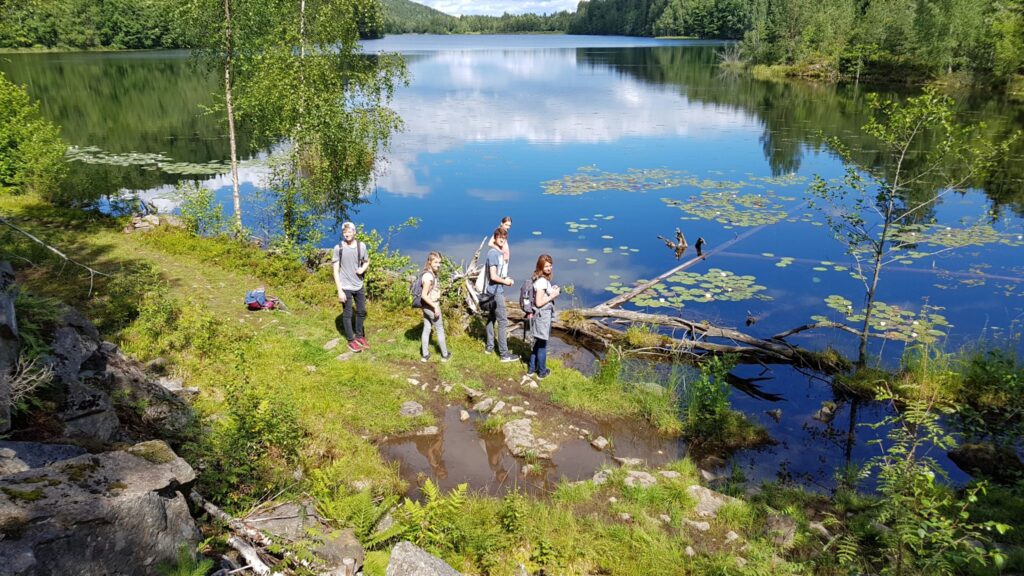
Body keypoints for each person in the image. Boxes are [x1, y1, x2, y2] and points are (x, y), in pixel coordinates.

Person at [332, 222, 370, 353]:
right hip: (345, 286)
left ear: (354, 232)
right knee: (347, 314)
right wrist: (340, 291)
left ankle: (360, 336)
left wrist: (362, 269)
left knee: (361, 311)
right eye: (344, 232)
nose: (347, 234)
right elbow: (335, 271)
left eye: (349, 232)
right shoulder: (339, 248)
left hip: (358, 285)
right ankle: (350, 340)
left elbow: (366, 261)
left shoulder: (361, 246)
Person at [484, 227, 517, 362]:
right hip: (496, 292)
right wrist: (506, 282)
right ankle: (504, 354)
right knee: (503, 321)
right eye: (499, 237)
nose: (502, 239)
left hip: (492, 291)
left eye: (504, 237)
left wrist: (504, 277)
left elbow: (497, 274)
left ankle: (489, 347)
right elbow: (493, 276)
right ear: (495, 238)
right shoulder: (493, 254)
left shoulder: (499, 253)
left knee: (491, 318)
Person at [528, 254, 560, 379]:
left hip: (540, 316)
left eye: (550, 265)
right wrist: (554, 295)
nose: (549, 268)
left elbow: (541, 295)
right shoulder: (541, 281)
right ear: (540, 267)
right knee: (542, 345)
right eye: (546, 266)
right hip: (542, 317)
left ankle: (531, 368)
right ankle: (542, 372)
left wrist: (551, 289)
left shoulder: (540, 279)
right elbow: (539, 302)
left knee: (537, 343)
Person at [420, 251, 451, 363]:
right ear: (430, 262)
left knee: (427, 328)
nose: (438, 265)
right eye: (436, 262)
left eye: (440, 262)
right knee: (440, 330)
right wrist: (435, 307)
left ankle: (425, 355)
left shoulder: (428, 273)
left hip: (425, 306)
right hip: (431, 306)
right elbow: (424, 295)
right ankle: (445, 355)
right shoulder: (428, 277)